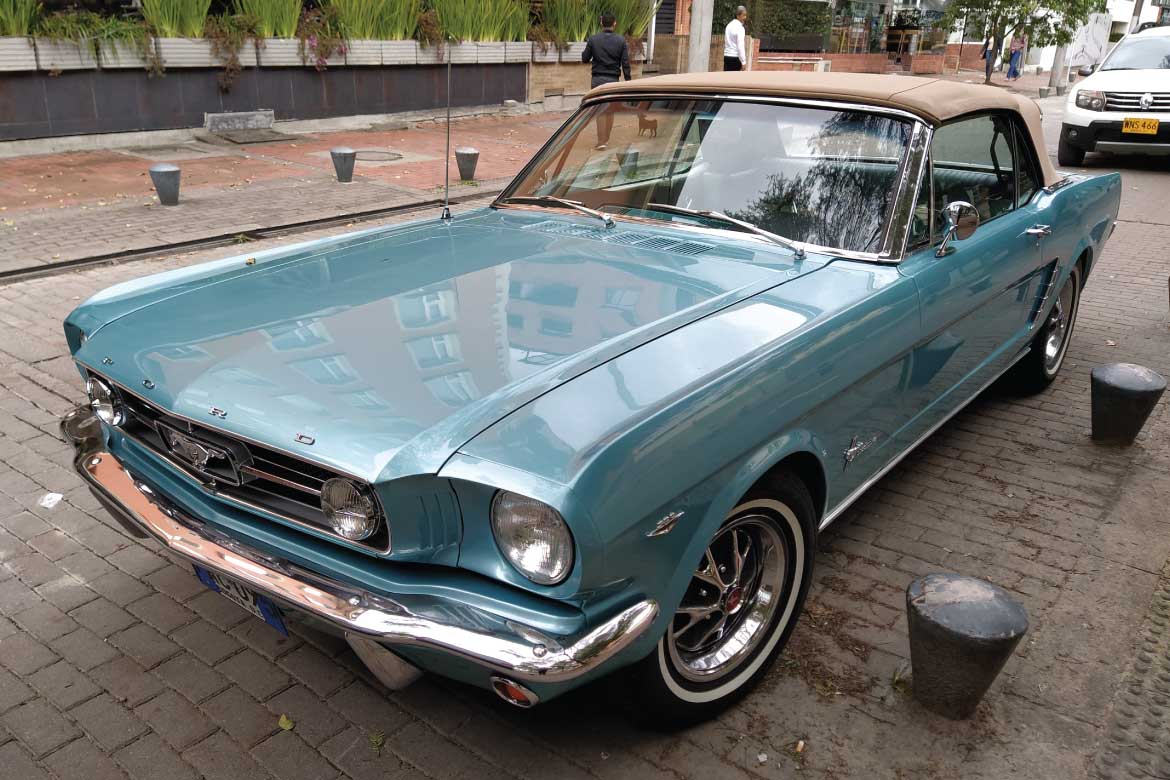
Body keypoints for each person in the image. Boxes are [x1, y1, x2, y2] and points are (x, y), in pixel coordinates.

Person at [582, 11, 631, 149]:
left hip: (597, 80)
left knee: (600, 110)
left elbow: (585, 58)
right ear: (614, 23)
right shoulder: (621, 41)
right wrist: (628, 82)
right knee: (610, 109)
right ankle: (606, 138)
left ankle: (601, 141)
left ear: (601, 22)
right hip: (613, 80)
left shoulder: (593, 39)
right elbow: (625, 64)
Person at [723, 5, 748, 71]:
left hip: (726, 57)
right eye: (744, 15)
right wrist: (743, 62)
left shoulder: (729, 25)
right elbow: (740, 46)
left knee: (726, 80)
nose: (745, 17)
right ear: (738, 15)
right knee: (734, 80)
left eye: (745, 15)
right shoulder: (740, 28)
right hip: (735, 58)